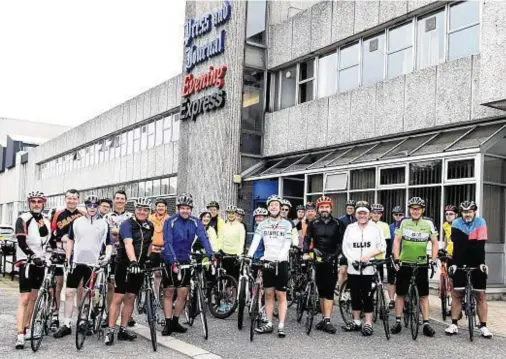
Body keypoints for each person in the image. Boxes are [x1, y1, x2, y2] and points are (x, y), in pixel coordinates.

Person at [54, 195, 111, 338]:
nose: (92, 208)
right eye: (89, 206)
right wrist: (67, 257)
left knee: (88, 294)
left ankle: (83, 321)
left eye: (95, 206)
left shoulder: (104, 223)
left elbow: (109, 243)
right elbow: (71, 240)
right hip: (77, 262)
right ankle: (66, 324)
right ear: (86, 207)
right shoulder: (77, 222)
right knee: (69, 293)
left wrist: (107, 256)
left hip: (93, 264)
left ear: (98, 207)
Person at [161, 193, 214, 336]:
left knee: (183, 292)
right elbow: (167, 242)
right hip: (169, 258)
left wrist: (211, 253)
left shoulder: (195, 222)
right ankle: (167, 322)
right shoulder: (170, 221)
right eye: (183, 208)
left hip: (185, 259)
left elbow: (203, 238)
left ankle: (175, 321)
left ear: (191, 209)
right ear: (178, 208)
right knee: (169, 291)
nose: (185, 211)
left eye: (188, 208)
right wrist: (173, 260)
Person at [104, 197, 154, 346]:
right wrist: (132, 261)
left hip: (139, 267)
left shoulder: (150, 226)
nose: (142, 212)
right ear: (135, 210)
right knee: (118, 297)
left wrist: (148, 259)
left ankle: (123, 329)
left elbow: (149, 243)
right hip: (124, 264)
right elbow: (128, 243)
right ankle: (110, 330)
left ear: (148, 211)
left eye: (145, 210)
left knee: (131, 297)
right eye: (139, 209)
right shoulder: (127, 224)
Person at [391, 197, 438, 337]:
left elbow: (435, 243)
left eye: (418, 209)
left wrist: (434, 260)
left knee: (423, 295)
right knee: (400, 294)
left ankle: (426, 323)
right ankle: (398, 322)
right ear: (410, 210)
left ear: (422, 210)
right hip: (405, 262)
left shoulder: (428, 223)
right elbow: (397, 241)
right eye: (412, 209)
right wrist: (396, 258)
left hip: (421, 264)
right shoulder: (404, 222)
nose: (415, 211)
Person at [445, 201, 492, 338]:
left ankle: (483, 326)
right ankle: (454, 324)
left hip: (477, 262)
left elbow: (480, 245)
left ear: (474, 212)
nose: (467, 214)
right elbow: (458, 246)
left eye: (470, 211)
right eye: (465, 212)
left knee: (481, 295)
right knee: (457, 294)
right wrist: (454, 263)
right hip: (460, 262)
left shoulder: (481, 222)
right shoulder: (456, 223)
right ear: (461, 213)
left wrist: (482, 263)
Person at [247, 195, 292, 338]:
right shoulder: (262, 224)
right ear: (268, 207)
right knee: (268, 294)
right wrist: (249, 255)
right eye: (271, 205)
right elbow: (256, 241)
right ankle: (269, 323)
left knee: (281, 294)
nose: (274, 207)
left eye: (276, 205)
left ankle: (281, 325)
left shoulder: (287, 224)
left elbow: (287, 243)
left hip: (281, 262)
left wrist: (279, 258)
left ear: (280, 208)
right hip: (267, 262)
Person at [342, 201, 386, 335]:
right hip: (353, 267)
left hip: (369, 268)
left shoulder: (375, 228)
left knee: (367, 296)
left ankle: (368, 323)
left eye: (364, 213)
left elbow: (382, 246)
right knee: (355, 295)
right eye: (359, 213)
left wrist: (369, 255)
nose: (362, 215)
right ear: (356, 214)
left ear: (369, 215)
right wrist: (352, 260)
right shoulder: (350, 228)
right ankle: (356, 321)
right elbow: (345, 247)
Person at [14, 191, 51, 349]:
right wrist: (32, 255)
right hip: (26, 262)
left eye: (39, 202)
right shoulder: (23, 219)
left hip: (41, 263)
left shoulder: (46, 221)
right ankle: (20, 334)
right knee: (25, 298)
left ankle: (28, 328)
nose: (36, 204)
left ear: (43, 203)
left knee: (34, 297)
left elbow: (47, 242)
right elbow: (22, 242)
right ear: (29, 203)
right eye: (33, 201)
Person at [303, 195, 343, 334]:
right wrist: (306, 252)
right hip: (318, 260)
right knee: (321, 290)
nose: (324, 209)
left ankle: (328, 320)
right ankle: (323, 318)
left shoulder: (337, 223)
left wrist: (334, 256)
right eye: (322, 207)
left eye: (327, 207)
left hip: (331, 260)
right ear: (318, 209)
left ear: (331, 208)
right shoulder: (313, 224)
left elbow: (341, 243)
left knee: (329, 290)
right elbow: (307, 239)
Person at [49, 189, 85, 330]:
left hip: (76, 255)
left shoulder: (82, 214)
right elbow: (52, 234)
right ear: (65, 199)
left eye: (74, 198)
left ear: (78, 200)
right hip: (59, 253)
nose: (71, 201)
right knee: (57, 285)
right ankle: (55, 314)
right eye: (69, 198)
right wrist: (60, 239)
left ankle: (80, 317)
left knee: (79, 286)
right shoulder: (58, 214)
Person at [103, 190, 133, 327]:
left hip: (127, 256)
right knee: (111, 286)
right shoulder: (107, 217)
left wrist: (117, 232)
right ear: (114, 200)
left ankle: (128, 316)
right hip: (112, 254)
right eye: (118, 198)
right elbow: (104, 234)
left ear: (126, 201)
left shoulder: (131, 216)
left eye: (122, 199)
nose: (120, 201)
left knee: (126, 287)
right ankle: (110, 314)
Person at [148, 198, 169, 300]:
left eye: (162, 206)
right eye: (159, 206)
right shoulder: (150, 218)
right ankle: (156, 296)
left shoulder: (169, 219)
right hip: (153, 250)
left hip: (165, 250)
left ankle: (165, 295)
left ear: (166, 208)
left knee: (166, 274)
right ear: (155, 208)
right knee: (156, 274)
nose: (160, 207)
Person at [218, 205, 246, 281]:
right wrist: (219, 250)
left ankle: (234, 292)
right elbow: (220, 240)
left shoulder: (240, 226)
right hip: (224, 255)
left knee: (234, 279)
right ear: (227, 214)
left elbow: (241, 241)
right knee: (224, 279)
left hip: (235, 255)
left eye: (233, 213)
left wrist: (239, 254)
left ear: (235, 214)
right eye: (229, 213)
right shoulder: (223, 226)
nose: (231, 215)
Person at [387, 206, 405, 308]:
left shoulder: (407, 226)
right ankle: (391, 299)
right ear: (393, 215)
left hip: (404, 256)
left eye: (400, 214)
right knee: (391, 279)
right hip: (392, 256)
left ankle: (401, 298)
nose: (398, 216)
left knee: (402, 278)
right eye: (396, 214)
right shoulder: (390, 227)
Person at [338, 200, 357, 292]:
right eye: (348, 208)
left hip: (355, 249)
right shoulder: (341, 220)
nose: (349, 210)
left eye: (351, 208)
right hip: (344, 248)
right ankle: (341, 291)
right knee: (343, 270)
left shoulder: (357, 219)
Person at [369, 204, 390, 281]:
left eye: (379, 213)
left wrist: (388, 256)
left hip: (379, 258)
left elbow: (388, 242)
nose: (376, 215)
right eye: (374, 212)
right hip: (368, 258)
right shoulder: (366, 224)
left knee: (379, 282)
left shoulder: (385, 225)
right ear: (370, 213)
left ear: (382, 214)